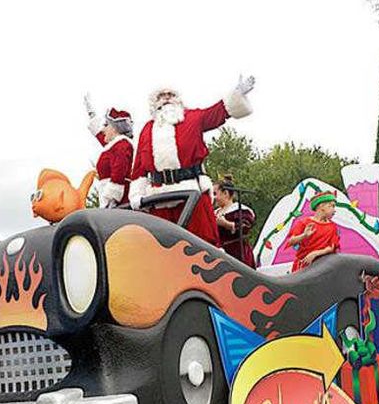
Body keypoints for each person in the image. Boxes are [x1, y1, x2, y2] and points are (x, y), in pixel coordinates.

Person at [128, 77, 255, 246]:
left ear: (178, 99)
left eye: (170, 94)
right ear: (154, 103)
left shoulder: (193, 118)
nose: (166, 98)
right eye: (161, 96)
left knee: (202, 244)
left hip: (191, 193)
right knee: (161, 247)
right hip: (159, 199)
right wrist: (137, 194)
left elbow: (216, 112)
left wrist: (236, 94)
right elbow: (139, 168)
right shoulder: (147, 130)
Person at [84, 97, 134, 208]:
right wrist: (91, 114)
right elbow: (101, 135)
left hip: (119, 202)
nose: (102, 129)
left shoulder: (122, 145)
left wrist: (111, 199)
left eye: (106, 125)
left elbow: (119, 171)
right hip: (111, 201)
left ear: (116, 128)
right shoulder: (116, 145)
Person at [286, 192, 340, 272]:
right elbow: (290, 241)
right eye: (331, 206)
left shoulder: (332, 226)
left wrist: (315, 253)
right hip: (304, 266)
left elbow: (331, 247)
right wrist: (304, 236)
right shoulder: (304, 222)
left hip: (323, 266)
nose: (334, 210)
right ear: (321, 206)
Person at [213, 175, 256, 267]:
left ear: (226, 193)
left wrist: (226, 224)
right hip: (219, 256)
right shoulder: (215, 212)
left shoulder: (240, 210)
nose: (213, 197)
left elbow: (246, 228)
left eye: (215, 194)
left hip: (238, 255)